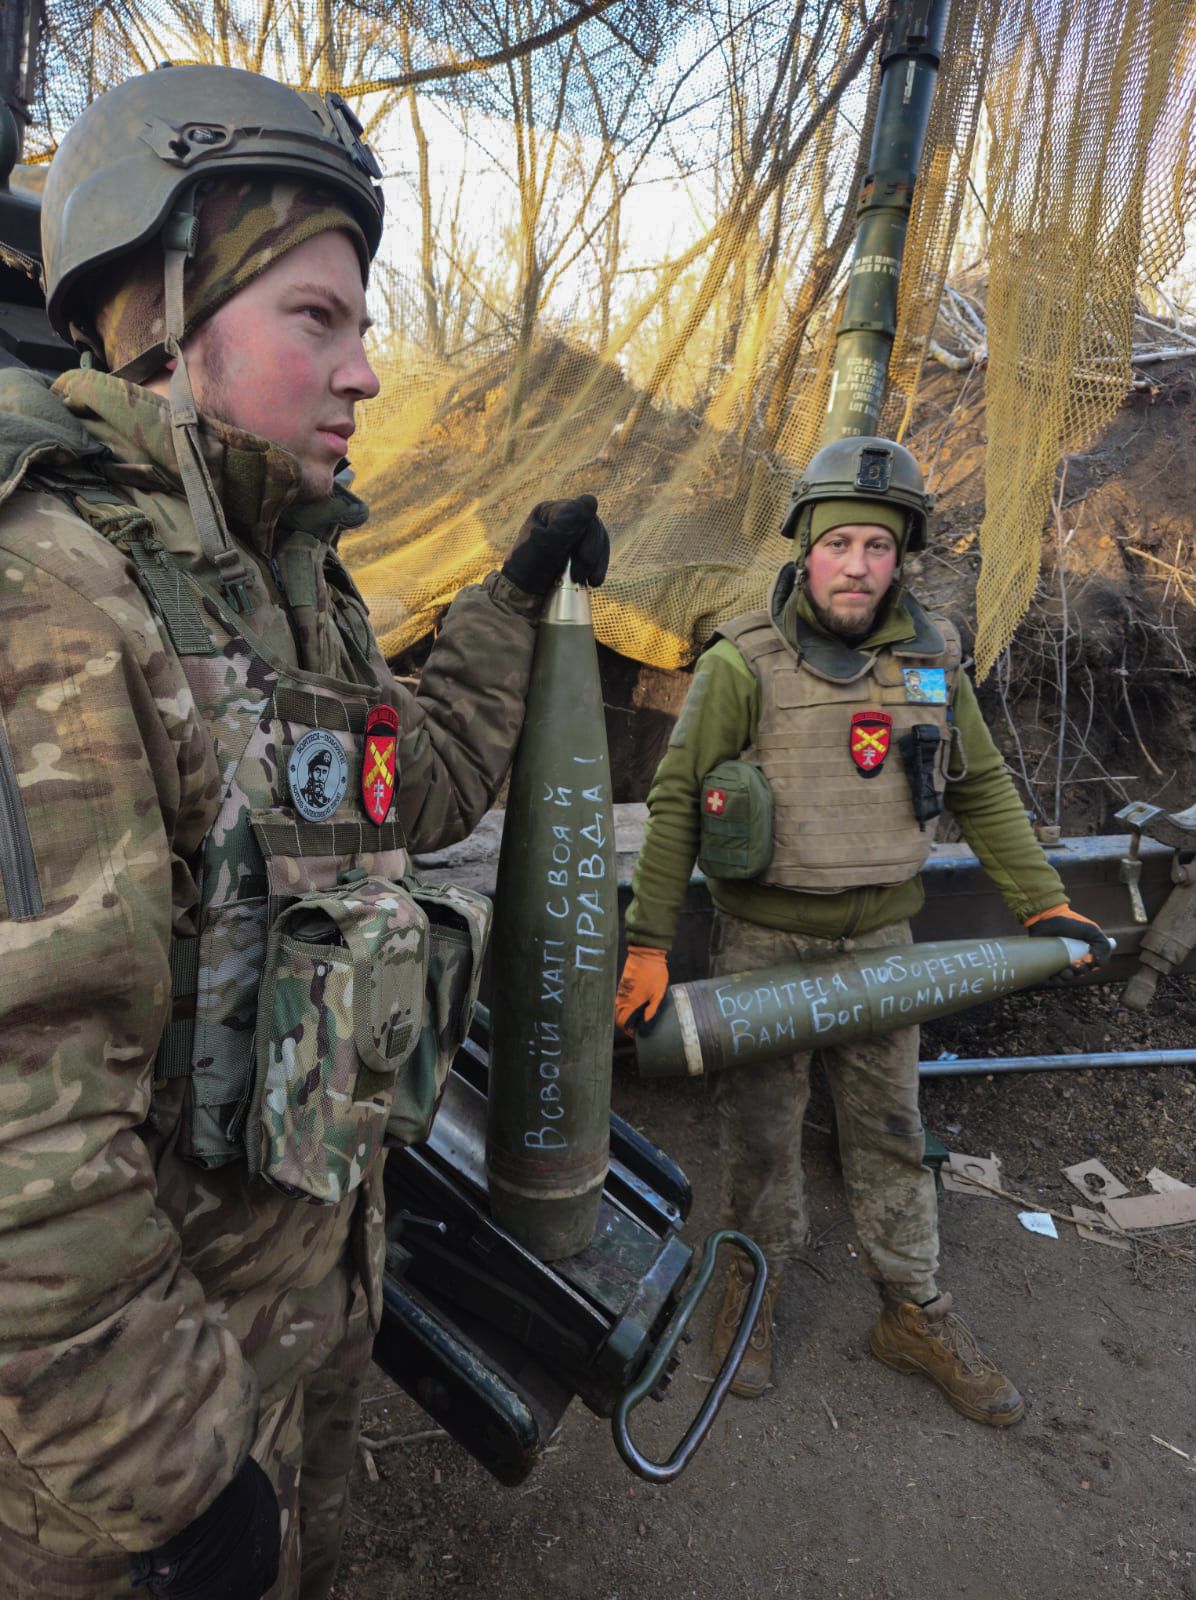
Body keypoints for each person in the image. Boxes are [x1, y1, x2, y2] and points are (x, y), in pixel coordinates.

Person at [0, 65, 608, 1600]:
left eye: (360, 323)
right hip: (127, 1478)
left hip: (299, 1346)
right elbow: (27, 1135)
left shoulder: (289, 584)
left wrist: (513, 605)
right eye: (316, 319)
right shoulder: (50, 603)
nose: (366, 373)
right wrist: (178, 1485)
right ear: (154, 311)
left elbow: (419, 791)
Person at [615, 435, 1110, 1421]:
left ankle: (913, 1311)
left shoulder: (931, 663)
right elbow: (674, 803)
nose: (856, 563)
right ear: (805, 549)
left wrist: (1040, 899)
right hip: (764, 946)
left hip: (884, 947)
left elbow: (981, 789)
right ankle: (750, 1291)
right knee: (761, 1141)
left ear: (900, 559)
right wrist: (649, 939)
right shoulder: (741, 663)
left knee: (890, 1135)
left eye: (876, 547)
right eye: (838, 541)